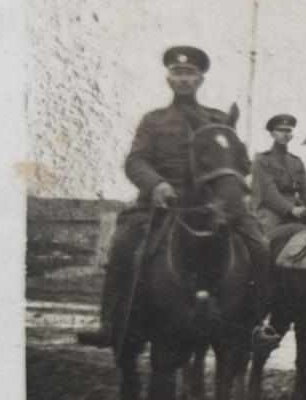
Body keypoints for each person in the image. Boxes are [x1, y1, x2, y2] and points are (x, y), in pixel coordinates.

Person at [77, 46, 271, 347]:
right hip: (161, 204)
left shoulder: (217, 119)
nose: (184, 79)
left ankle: (254, 325)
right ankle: (113, 322)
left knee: (259, 245)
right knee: (124, 244)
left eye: (190, 73)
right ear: (169, 79)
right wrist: (156, 185)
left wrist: (229, 187)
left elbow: (239, 160)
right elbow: (136, 161)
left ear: (200, 79)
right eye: (178, 73)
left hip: (212, 205)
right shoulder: (153, 121)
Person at [251, 114, 306, 231]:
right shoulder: (262, 159)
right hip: (271, 209)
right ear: (272, 134)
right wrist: (291, 209)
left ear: (291, 135)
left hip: (296, 207)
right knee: (266, 237)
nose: (285, 134)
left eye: (288, 131)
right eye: (280, 130)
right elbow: (269, 193)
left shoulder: (296, 161)